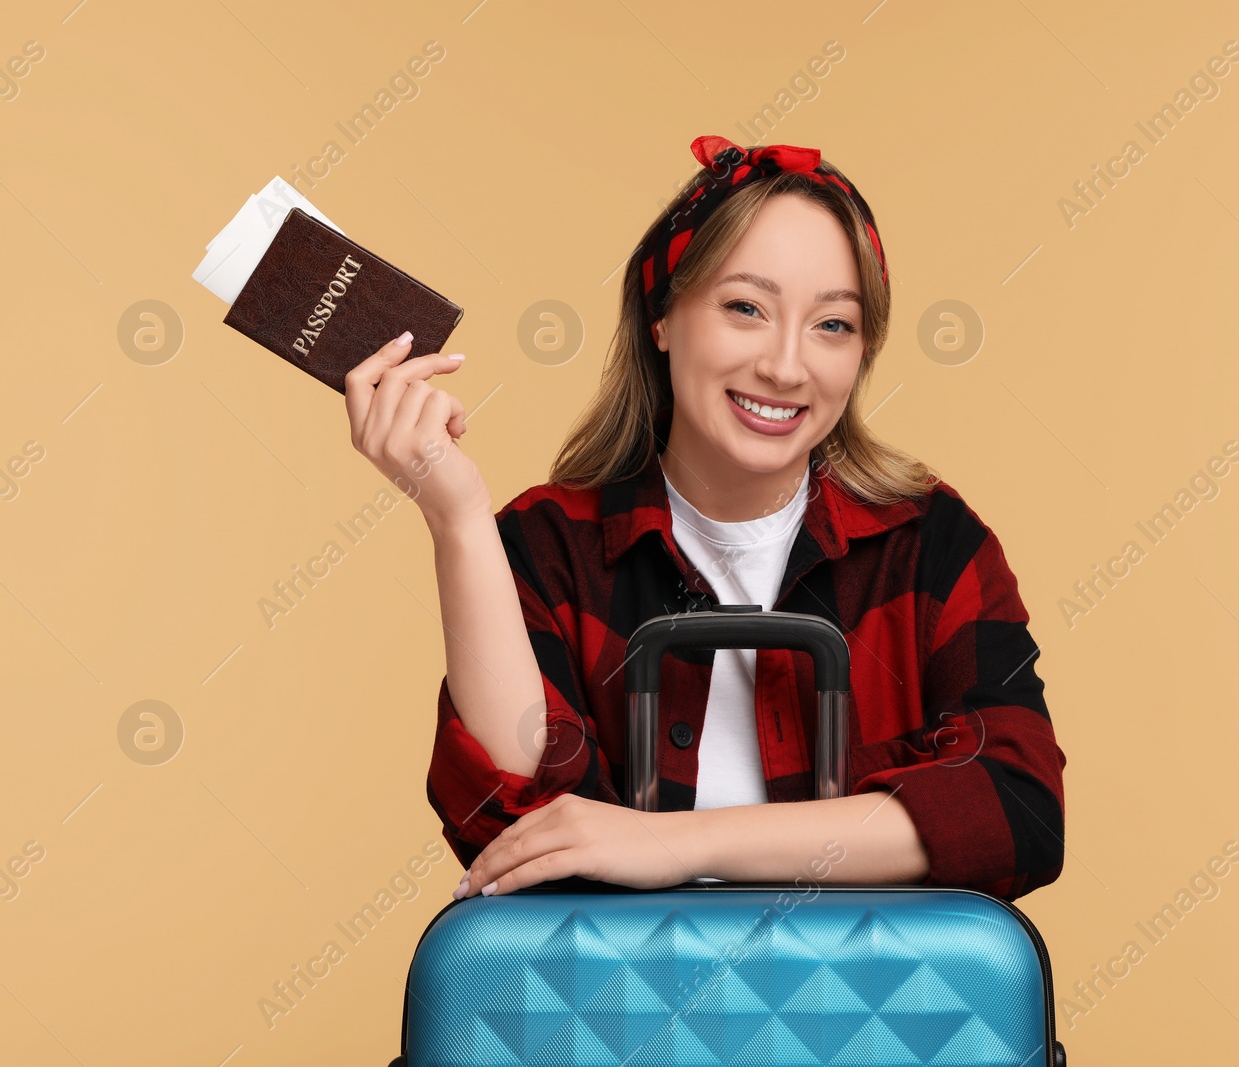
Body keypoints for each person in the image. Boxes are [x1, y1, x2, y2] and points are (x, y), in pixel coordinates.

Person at [344, 134, 1066, 904]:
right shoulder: (547, 549)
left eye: (833, 325)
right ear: (662, 316)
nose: (787, 366)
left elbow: (1016, 808)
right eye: (745, 308)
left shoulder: (930, 546)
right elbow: (515, 829)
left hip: (866, 1018)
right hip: (618, 1020)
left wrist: (674, 844)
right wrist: (456, 518)